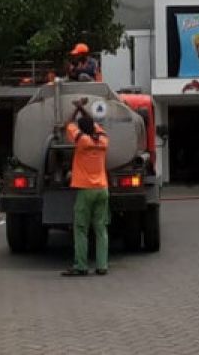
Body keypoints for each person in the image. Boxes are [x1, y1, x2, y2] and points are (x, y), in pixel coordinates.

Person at [62, 98, 110, 276]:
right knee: (101, 228)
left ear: (81, 129)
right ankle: (102, 265)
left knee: (81, 228)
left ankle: (81, 266)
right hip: (102, 189)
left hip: (85, 189)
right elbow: (93, 124)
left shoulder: (81, 140)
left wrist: (76, 109)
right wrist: (84, 109)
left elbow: (68, 124)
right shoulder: (103, 140)